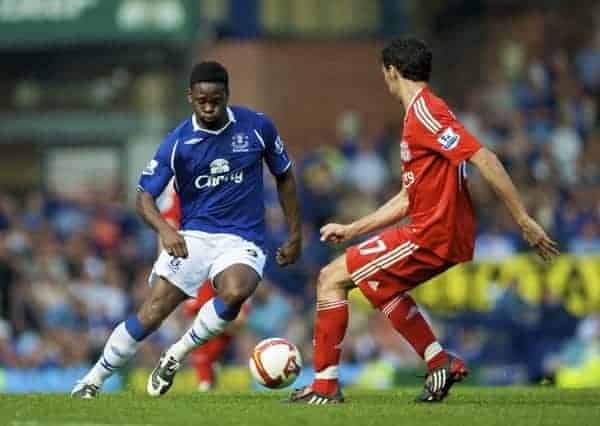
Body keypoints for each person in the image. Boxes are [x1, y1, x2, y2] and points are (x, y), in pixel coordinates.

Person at [288, 38, 559, 405]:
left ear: (391, 71)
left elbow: (486, 158)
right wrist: (352, 229)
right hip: (434, 228)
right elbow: (407, 197)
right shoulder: (420, 114)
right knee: (378, 285)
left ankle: (324, 387)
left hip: (434, 232)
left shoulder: (426, 112)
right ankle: (439, 360)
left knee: (330, 278)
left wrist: (523, 219)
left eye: (383, 73)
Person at [71, 61, 302, 398]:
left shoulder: (257, 127)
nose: (209, 107)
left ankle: (176, 354)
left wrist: (295, 234)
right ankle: (91, 380)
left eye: (217, 99)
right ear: (190, 97)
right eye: (202, 101)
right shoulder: (178, 142)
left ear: (227, 95)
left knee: (236, 292)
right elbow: (144, 196)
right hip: (194, 238)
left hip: (243, 238)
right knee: (152, 312)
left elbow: (285, 176)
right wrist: (165, 231)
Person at [160, 184, 248, 391]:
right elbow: (168, 224)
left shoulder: (231, 175)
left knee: (236, 318)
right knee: (200, 317)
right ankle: (205, 380)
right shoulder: (178, 184)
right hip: (196, 260)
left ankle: (209, 366)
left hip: (231, 253)